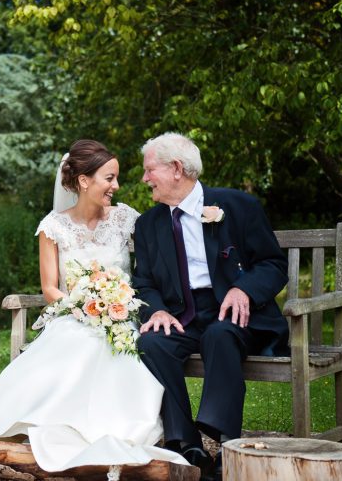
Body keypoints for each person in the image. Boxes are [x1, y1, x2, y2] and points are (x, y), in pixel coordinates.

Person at [0, 139, 187, 476]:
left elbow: (148, 273)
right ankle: (64, 425)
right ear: (85, 181)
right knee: (77, 339)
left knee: (116, 344)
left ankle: (116, 427)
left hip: (123, 314)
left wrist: (118, 304)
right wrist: (82, 307)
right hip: (73, 313)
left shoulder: (127, 219)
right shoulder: (53, 226)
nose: (117, 185)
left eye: (115, 178)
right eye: (109, 178)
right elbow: (50, 288)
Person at [133, 132, 290, 481]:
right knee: (151, 343)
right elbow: (143, 282)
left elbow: (272, 263)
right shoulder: (148, 225)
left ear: (176, 169)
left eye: (149, 170)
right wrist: (156, 310)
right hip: (182, 316)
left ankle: (227, 445)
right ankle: (185, 445)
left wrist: (244, 290)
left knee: (219, 335)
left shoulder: (237, 206)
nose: (144, 178)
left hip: (235, 314)